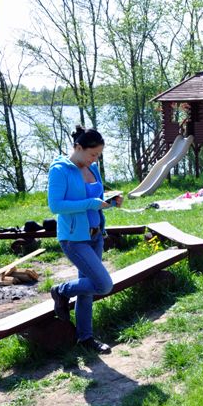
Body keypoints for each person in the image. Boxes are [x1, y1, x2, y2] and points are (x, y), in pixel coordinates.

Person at [47, 126, 123, 353]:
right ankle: (60, 291)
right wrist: (91, 204)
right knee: (103, 284)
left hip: (95, 235)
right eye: (92, 154)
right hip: (73, 238)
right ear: (78, 148)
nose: (94, 159)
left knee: (87, 290)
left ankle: (85, 339)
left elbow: (95, 198)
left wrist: (110, 201)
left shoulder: (93, 169)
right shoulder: (60, 170)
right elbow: (56, 205)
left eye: (98, 155)